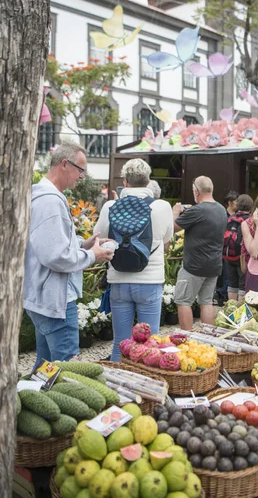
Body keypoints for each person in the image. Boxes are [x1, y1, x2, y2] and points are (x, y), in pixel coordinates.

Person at [24, 142, 114, 368]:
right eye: (80, 169)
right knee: (67, 367)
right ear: (64, 164)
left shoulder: (44, 196)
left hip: (44, 296)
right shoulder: (50, 201)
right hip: (56, 300)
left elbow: (50, 246)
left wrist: (84, 245)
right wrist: (92, 256)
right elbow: (56, 257)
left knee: (45, 367)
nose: (82, 176)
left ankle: (33, 400)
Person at [94, 159, 173, 361]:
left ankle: (117, 387)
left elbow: (99, 236)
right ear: (148, 181)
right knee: (151, 343)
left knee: (120, 341)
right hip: (150, 281)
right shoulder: (163, 207)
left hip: (118, 280)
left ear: (125, 181)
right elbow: (166, 239)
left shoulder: (110, 206)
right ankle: (147, 386)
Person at [172, 176, 227, 330]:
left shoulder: (197, 210)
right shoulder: (221, 209)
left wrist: (176, 212)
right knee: (206, 302)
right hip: (214, 265)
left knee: (183, 301)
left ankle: (187, 338)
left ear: (196, 191)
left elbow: (172, 228)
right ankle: (208, 339)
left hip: (193, 266)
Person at [223, 194, 253, 301]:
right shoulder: (250, 220)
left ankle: (230, 306)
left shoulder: (230, 218)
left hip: (229, 256)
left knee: (232, 284)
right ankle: (240, 310)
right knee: (242, 284)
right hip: (242, 257)